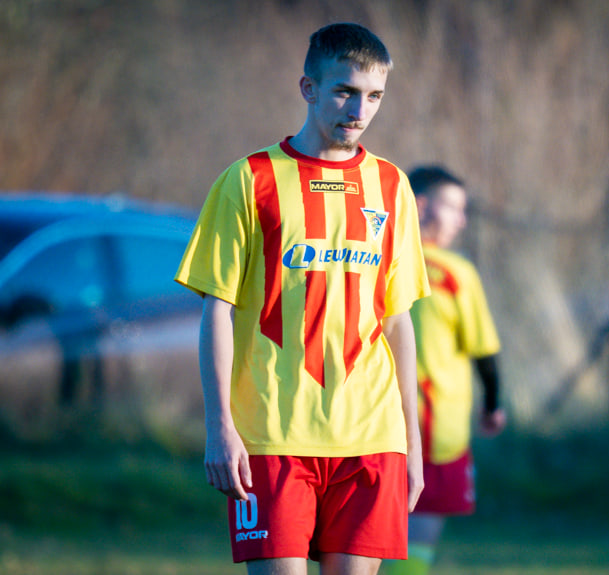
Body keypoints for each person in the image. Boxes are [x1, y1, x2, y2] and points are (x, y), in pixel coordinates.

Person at [174, 23, 430, 575]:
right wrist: (219, 426)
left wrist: (412, 439)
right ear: (308, 88)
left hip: (371, 436)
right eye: (344, 91)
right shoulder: (249, 179)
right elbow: (215, 309)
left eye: (374, 95)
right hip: (272, 433)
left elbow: (398, 320)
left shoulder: (391, 187)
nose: (359, 109)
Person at [384, 166, 506, 575]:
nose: (461, 219)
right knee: (418, 532)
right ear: (420, 206)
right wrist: (493, 405)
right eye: (453, 207)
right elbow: (484, 350)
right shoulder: (455, 272)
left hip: (372, 417)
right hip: (434, 425)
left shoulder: (376, 258)